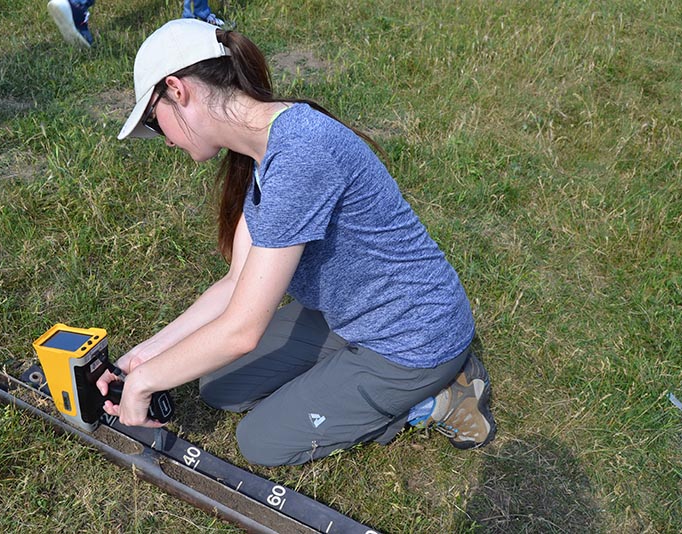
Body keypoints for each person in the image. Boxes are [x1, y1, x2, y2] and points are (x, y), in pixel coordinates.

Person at [99, 18, 496, 466]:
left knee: (262, 440)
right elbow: (235, 283)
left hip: (412, 340)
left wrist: (145, 384)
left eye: (154, 122)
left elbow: (242, 331)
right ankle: (345, 378)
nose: (165, 141)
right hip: (350, 316)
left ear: (177, 89)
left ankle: (440, 394)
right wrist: (141, 359)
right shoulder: (262, 146)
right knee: (219, 387)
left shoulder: (300, 155)